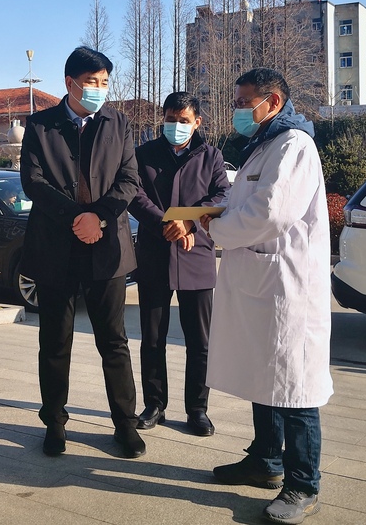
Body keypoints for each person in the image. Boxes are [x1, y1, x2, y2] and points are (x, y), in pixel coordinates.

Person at [200, 68, 332, 524]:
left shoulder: (294, 145)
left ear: (272, 102)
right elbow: (248, 205)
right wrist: (217, 213)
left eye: (244, 102)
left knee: (295, 387)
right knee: (266, 377)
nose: (238, 110)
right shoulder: (264, 145)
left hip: (289, 288)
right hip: (263, 285)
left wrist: (216, 228)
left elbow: (270, 214)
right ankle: (265, 461)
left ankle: (303, 484)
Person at [20, 46, 145, 459]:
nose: (99, 89)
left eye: (105, 82)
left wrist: (100, 218)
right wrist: (77, 217)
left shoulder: (118, 122)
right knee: (55, 341)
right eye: (92, 82)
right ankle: (54, 422)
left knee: (114, 341)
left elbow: (129, 180)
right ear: (70, 83)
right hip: (55, 247)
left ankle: (125, 424)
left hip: (107, 249)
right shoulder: (40, 125)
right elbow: (34, 182)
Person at [128, 91, 229, 437]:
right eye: (170, 119)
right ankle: (155, 404)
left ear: (197, 122)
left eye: (183, 120)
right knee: (152, 337)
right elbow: (135, 195)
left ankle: (197, 409)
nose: (176, 125)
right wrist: (165, 224)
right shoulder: (144, 155)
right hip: (154, 256)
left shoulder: (211, 156)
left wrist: (188, 222)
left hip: (196, 254)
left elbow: (221, 196)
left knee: (200, 341)